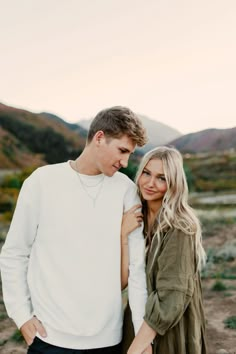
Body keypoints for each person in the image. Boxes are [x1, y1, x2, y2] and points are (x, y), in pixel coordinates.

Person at [0, 106, 149, 354]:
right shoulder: (41, 182)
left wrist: (142, 341)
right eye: (122, 151)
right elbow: (15, 253)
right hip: (49, 339)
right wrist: (21, 316)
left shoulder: (126, 189)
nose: (125, 162)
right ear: (100, 138)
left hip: (107, 340)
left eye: (130, 154)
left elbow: (137, 270)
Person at [121, 146, 207, 354]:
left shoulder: (180, 227)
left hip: (166, 329)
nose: (150, 183)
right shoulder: (135, 217)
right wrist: (123, 235)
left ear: (174, 184)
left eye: (161, 178)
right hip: (138, 320)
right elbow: (123, 281)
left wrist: (138, 347)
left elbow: (171, 298)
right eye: (146, 173)